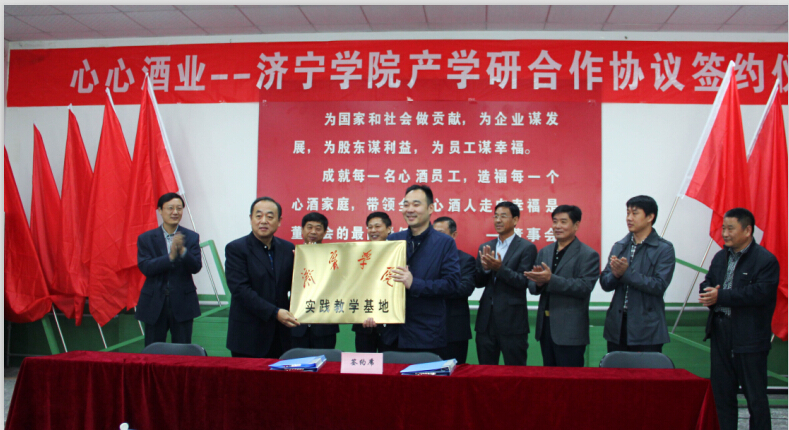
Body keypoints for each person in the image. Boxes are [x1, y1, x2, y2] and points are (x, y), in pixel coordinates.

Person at [698, 208, 778, 430]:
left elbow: (759, 293)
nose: (725, 233)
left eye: (730, 228)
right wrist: (706, 292)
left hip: (750, 339)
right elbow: (708, 281)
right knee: (722, 397)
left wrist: (720, 296)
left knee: (756, 399)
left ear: (748, 230)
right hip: (720, 333)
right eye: (723, 228)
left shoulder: (765, 260)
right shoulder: (720, 257)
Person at [377, 184, 461, 357]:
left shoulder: (445, 243)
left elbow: (451, 284)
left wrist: (414, 283)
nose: (409, 209)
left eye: (416, 204)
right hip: (393, 335)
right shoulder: (393, 240)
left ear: (430, 208)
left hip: (427, 334)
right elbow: (380, 282)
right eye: (406, 204)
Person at [225, 197, 300, 358]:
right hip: (248, 337)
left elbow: (294, 286)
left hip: (281, 336)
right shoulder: (236, 249)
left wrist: (305, 266)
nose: (263, 221)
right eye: (258, 216)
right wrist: (275, 313)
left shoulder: (288, 248)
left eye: (270, 216)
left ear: (279, 221)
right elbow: (240, 290)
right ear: (251, 219)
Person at [525, 205, 599, 367]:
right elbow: (532, 285)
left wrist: (551, 279)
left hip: (570, 331)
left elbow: (584, 287)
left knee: (570, 379)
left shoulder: (588, 254)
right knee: (549, 377)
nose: (557, 226)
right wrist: (538, 283)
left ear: (576, 225)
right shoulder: (544, 252)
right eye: (555, 221)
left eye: (563, 222)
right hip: (545, 328)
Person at [601, 195, 675, 353]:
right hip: (617, 326)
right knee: (615, 368)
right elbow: (605, 283)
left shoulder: (664, 248)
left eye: (635, 213)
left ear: (650, 217)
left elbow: (659, 285)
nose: (629, 218)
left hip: (647, 329)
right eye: (627, 213)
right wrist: (615, 275)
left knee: (645, 369)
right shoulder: (620, 246)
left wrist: (626, 273)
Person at [136, 193, 202, 346]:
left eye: (179, 208)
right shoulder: (146, 238)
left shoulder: (191, 236)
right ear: (160, 210)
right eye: (170, 208)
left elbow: (196, 267)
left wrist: (183, 252)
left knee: (182, 349)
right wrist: (170, 257)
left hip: (183, 302)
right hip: (154, 302)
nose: (175, 212)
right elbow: (146, 267)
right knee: (153, 350)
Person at [475, 201, 536, 366]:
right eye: (495, 216)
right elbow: (478, 282)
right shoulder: (486, 246)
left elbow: (523, 281)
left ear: (515, 220)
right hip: (486, 321)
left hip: (512, 322)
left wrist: (500, 269)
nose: (498, 220)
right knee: (485, 371)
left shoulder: (526, 248)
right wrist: (485, 269)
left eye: (503, 216)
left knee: (515, 372)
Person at [290, 212, 340, 349]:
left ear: (325, 232)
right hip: (296, 326)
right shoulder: (291, 255)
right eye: (309, 227)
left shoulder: (333, 258)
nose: (313, 232)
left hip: (324, 327)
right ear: (302, 230)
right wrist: (297, 263)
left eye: (318, 228)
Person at [433, 216, 476, 364]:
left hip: (454, 331)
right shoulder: (424, 259)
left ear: (454, 235)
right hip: (428, 329)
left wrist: (432, 287)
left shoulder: (465, 260)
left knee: (455, 373)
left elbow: (465, 288)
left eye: (441, 233)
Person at [353, 211, 393, 353]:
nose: (373, 230)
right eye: (370, 227)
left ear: (389, 229)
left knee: (390, 364)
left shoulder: (398, 252)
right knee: (364, 363)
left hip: (391, 325)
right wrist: (361, 313)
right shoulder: (358, 254)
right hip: (363, 324)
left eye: (377, 226)